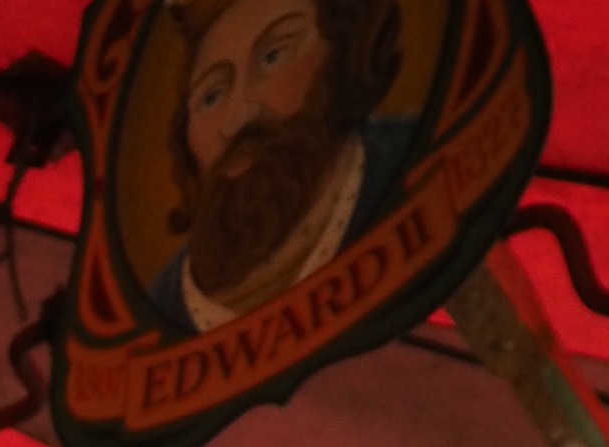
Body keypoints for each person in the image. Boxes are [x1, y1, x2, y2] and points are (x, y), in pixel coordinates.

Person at [149, 0, 415, 334]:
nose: (237, 120)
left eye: (272, 57)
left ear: (343, 49)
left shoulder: (416, 168)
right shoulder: (166, 306)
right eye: (211, 96)